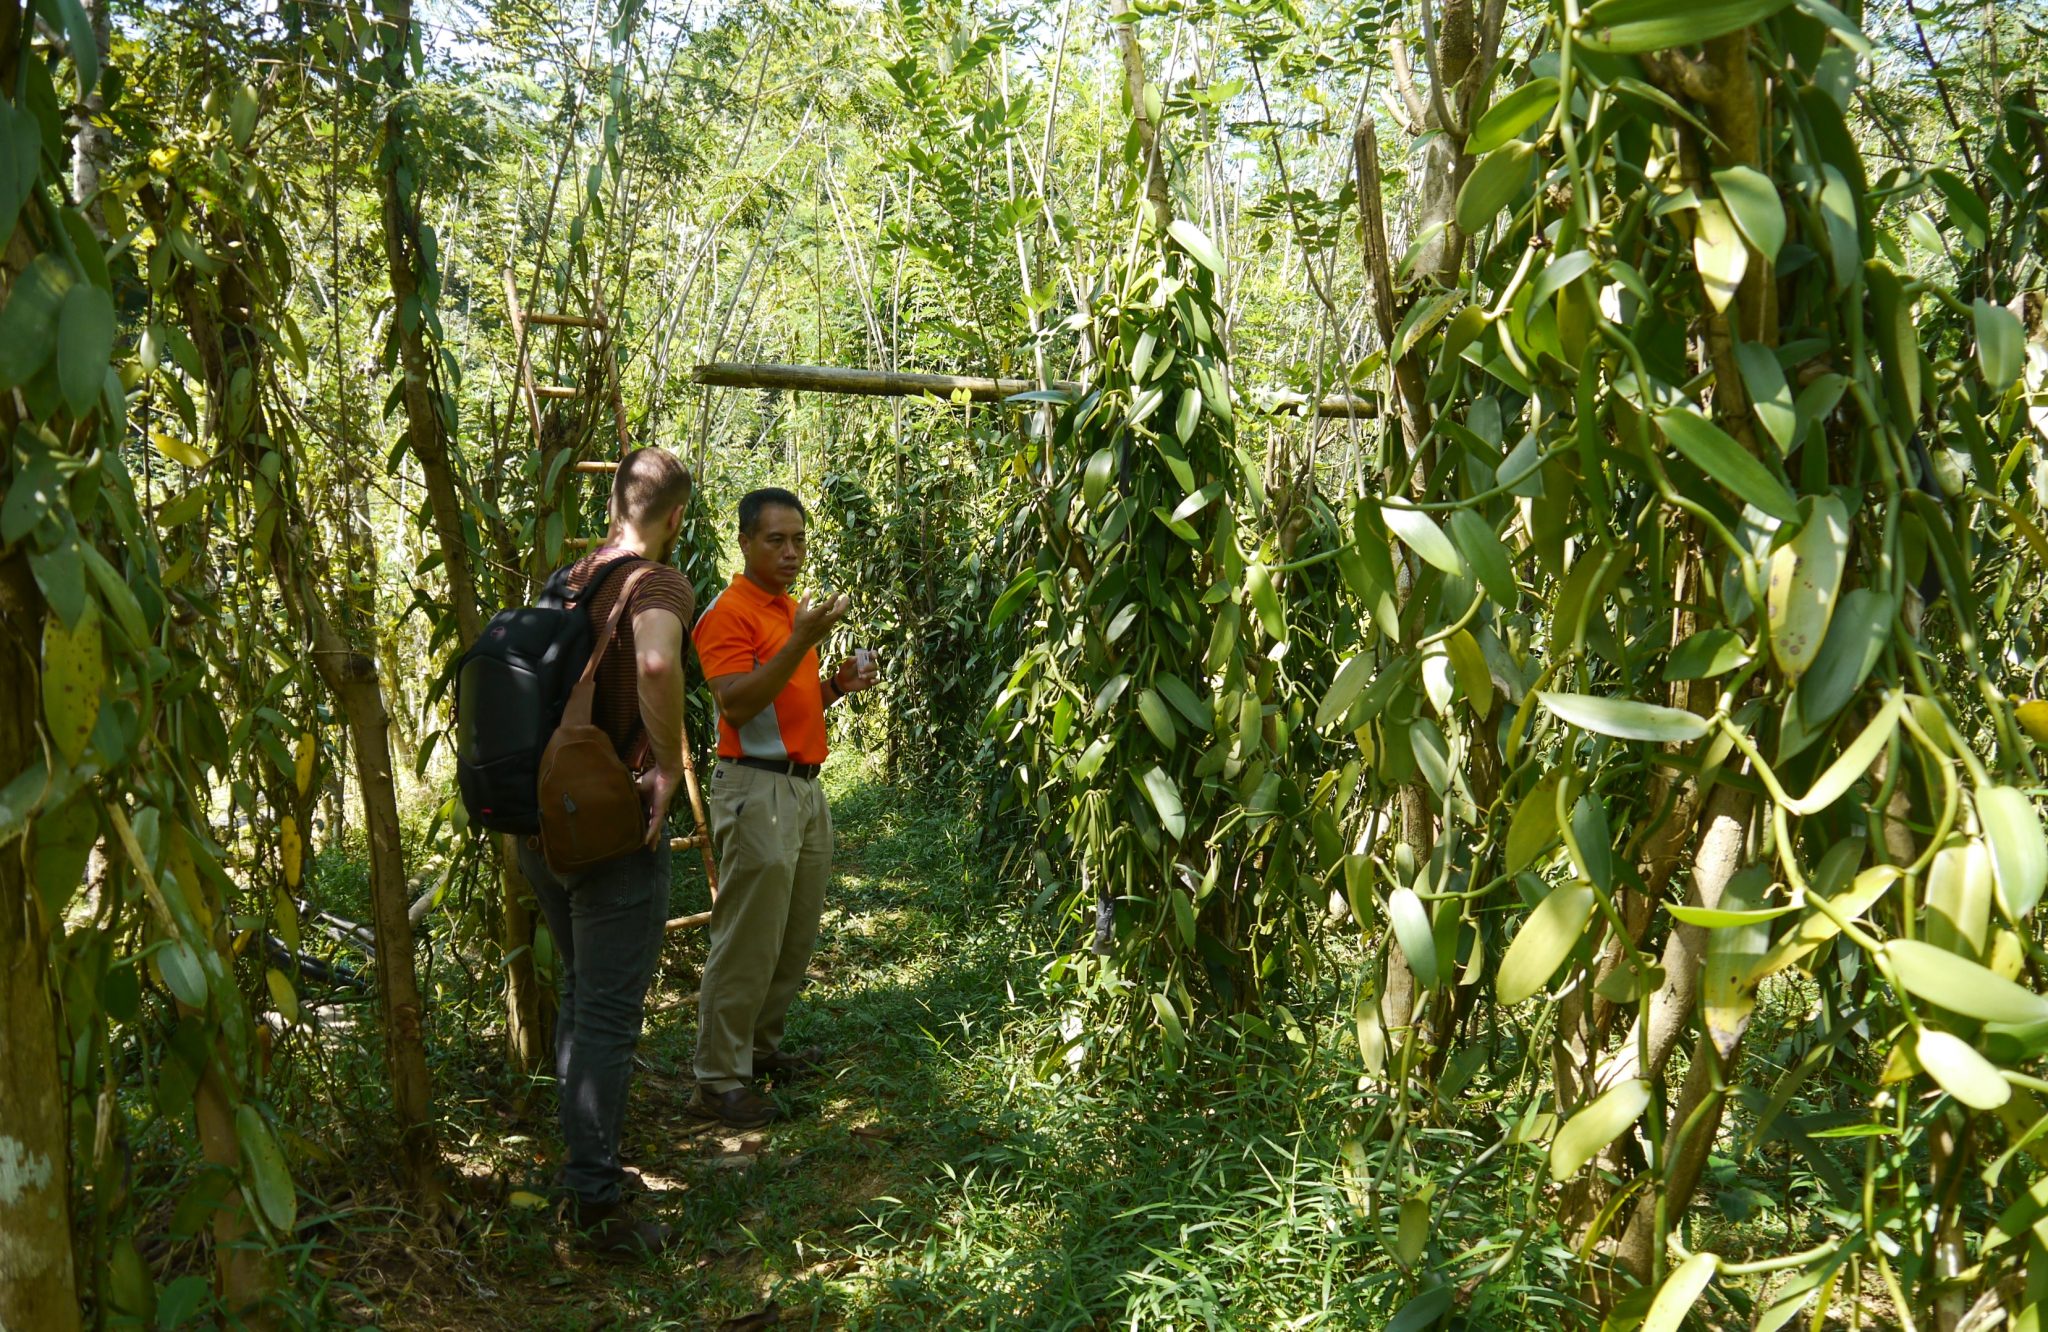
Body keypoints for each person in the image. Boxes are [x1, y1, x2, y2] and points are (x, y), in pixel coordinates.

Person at [516, 446, 696, 1257]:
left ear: (616, 502)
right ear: (677, 516)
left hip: (542, 821)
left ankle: (585, 1165)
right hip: (609, 827)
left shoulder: (570, 577)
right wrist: (663, 768)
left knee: (585, 992)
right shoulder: (655, 582)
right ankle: (592, 1201)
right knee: (610, 1014)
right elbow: (657, 660)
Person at [687, 487, 877, 1128]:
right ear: (744, 542)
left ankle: (759, 1050)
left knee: (792, 935)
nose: (791, 551)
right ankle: (718, 1078)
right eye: (776, 539)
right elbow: (736, 705)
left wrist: (833, 686)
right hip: (755, 790)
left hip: (803, 786)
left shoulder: (791, 612)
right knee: (747, 937)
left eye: (798, 539)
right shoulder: (729, 614)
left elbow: (784, 703)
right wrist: (800, 642)